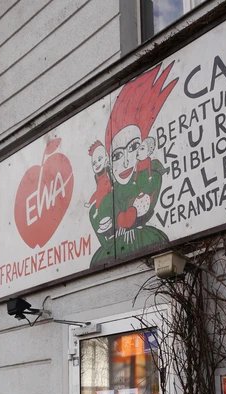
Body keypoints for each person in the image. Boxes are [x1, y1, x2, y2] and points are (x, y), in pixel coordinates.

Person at [89, 62, 177, 267]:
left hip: (146, 241)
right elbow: (99, 218)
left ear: (143, 148)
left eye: (133, 147)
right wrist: (114, 221)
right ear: (110, 162)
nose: (127, 160)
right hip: (113, 252)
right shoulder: (105, 197)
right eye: (118, 154)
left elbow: (149, 195)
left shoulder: (150, 175)